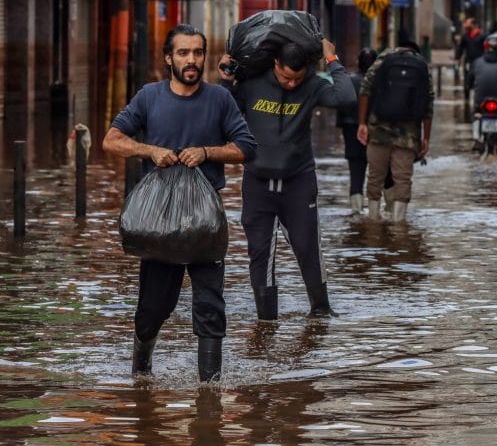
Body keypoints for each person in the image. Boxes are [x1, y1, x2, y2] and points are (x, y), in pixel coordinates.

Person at [102, 23, 258, 382]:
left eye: (198, 53)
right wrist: (150, 150)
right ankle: (141, 372)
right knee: (154, 306)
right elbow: (111, 141)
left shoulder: (220, 99)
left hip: (205, 221)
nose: (192, 60)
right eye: (184, 53)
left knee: (210, 305)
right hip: (159, 222)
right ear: (168, 58)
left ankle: (210, 388)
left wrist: (207, 152)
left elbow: (246, 147)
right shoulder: (149, 97)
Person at [218, 37, 356, 321]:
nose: (291, 83)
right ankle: (266, 321)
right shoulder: (251, 83)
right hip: (257, 180)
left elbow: (346, 97)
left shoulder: (313, 85)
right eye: (285, 77)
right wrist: (225, 79)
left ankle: (320, 311)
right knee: (260, 253)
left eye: (297, 78)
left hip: (299, 180)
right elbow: (223, 110)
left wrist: (332, 60)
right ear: (275, 63)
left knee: (308, 248)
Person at [357, 41, 434, 222]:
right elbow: (429, 103)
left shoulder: (384, 58)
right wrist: (426, 138)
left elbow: (365, 90)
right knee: (403, 179)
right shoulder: (422, 65)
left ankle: (373, 220)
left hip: (378, 130)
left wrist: (362, 123)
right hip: (409, 134)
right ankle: (399, 226)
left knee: (375, 176)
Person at [337, 47, 378, 212]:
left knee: (356, 174)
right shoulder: (380, 82)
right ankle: (380, 215)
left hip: (351, 131)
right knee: (382, 174)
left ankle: (356, 214)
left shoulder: (349, 81)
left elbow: (340, 106)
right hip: (376, 132)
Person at [455, 17, 486, 101]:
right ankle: (467, 97)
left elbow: (485, 48)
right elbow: (461, 48)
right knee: (467, 78)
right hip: (468, 61)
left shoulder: (482, 36)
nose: (466, 26)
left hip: (479, 62)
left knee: (479, 79)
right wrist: (458, 58)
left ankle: (478, 97)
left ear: (474, 25)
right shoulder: (465, 36)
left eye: (468, 24)